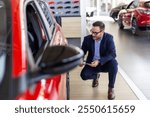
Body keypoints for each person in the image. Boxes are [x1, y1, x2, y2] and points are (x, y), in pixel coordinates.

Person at [80, 21, 118, 100]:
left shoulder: (109, 38)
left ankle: (111, 88)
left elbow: (113, 54)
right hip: (92, 63)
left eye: (96, 33)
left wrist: (99, 61)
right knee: (84, 75)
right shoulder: (87, 39)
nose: (93, 34)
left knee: (114, 64)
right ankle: (96, 76)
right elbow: (82, 52)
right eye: (92, 32)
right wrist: (80, 60)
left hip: (105, 63)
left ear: (102, 31)